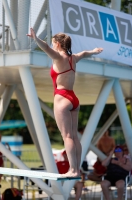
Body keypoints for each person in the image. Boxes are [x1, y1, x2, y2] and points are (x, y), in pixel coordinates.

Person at [27, 28, 103, 177]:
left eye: (54, 42)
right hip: (73, 98)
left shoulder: (58, 58)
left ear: (58, 44)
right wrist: (94, 51)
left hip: (62, 98)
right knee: (74, 136)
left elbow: (46, 48)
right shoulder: (73, 58)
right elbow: (85, 53)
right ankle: (77, 169)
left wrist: (36, 38)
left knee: (67, 137)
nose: (52, 44)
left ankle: (73, 170)